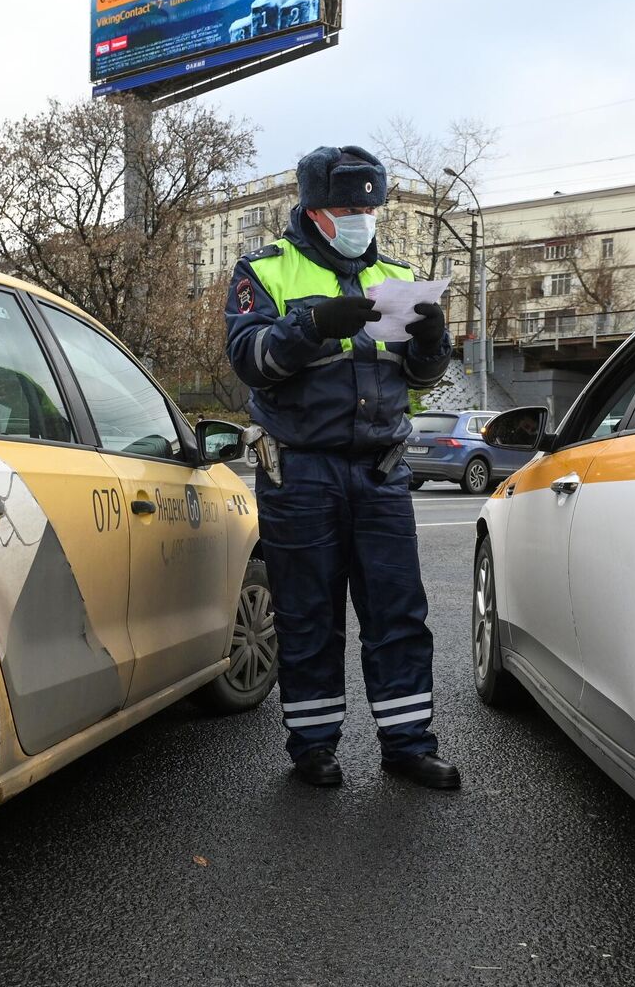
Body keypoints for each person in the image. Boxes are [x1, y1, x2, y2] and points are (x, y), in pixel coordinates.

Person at [224, 145, 459, 790]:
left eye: (369, 206)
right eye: (346, 207)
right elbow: (249, 361)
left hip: (380, 468)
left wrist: (435, 344)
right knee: (308, 614)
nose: (360, 217)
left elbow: (419, 378)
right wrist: (310, 327)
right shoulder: (265, 270)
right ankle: (314, 748)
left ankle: (408, 744)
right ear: (312, 208)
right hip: (300, 471)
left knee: (398, 613)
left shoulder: (399, 274)